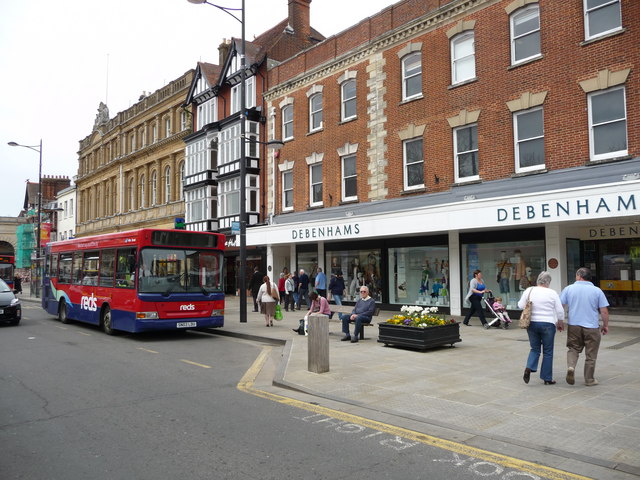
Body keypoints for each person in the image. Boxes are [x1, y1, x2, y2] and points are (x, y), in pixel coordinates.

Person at [560, 267, 609, 386]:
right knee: (591, 354)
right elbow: (604, 311)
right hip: (591, 326)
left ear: (578, 276)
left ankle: (571, 367)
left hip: (574, 325)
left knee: (573, 348)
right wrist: (605, 325)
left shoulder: (568, 289)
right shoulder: (597, 291)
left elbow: (560, 306)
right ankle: (589, 379)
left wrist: (559, 322)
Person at [519, 271, 565, 385]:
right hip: (548, 324)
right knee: (548, 351)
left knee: (534, 348)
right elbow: (559, 310)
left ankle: (529, 367)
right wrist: (560, 322)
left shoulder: (529, 290)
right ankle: (547, 378)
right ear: (548, 282)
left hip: (532, 323)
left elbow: (520, 305)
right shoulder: (552, 293)